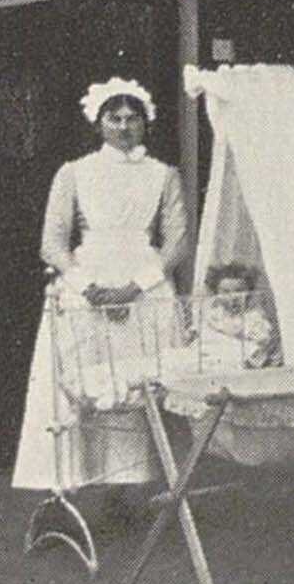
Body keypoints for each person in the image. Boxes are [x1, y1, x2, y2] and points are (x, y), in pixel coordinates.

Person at [12, 77, 190, 509]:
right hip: (86, 289)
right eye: (115, 118)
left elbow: (177, 241)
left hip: (143, 289)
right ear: (99, 123)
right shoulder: (74, 172)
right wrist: (87, 287)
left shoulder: (163, 175)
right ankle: (65, 486)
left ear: (146, 124)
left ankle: (128, 491)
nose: (125, 127)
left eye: (134, 119)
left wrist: (135, 287)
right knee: (78, 387)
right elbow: (51, 243)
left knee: (138, 386)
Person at [193, 262, 280, 371]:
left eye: (239, 291)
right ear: (216, 293)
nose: (233, 297)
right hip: (216, 360)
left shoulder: (253, 316)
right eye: (225, 292)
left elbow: (261, 342)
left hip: (242, 362)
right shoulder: (213, 314)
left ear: (248, 292)